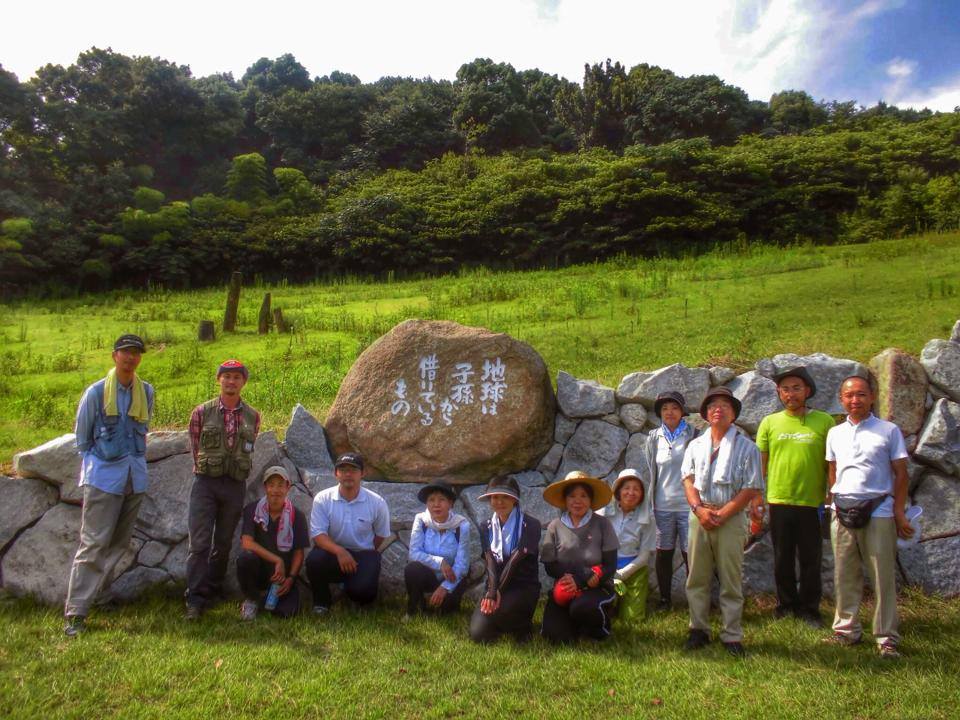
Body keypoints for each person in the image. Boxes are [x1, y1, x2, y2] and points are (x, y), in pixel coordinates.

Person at [64, 334, 154, 637]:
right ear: (115, 356)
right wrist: (101, 465)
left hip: (134, 477)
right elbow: (82, 440)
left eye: (136, 353)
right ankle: (76, 611)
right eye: (125, 352)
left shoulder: (146, 392)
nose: (130, 358)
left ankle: (100, 595)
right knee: (93, 543)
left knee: (119, 543)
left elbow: (142, 432)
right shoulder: (96, 393)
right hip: (103, 478)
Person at [824, 375, 914, 659]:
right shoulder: (835, 433)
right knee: (844, 574)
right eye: (849, 395)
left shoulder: (888, 431)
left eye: (861, 394)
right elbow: (833, 471)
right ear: (841, 399)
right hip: (842, 510)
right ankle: (846, 630)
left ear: (872, 397)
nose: (855, 400)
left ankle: (886, 638)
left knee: (881, 577)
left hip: (879, 509)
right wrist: (833, 501)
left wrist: (898, 512)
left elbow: (901, 474)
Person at [681, 387, 763, 657]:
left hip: (731, 518)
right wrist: (699, 510)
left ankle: (732, 634)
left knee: (731, 578)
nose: (718, 409)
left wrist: (725, 513)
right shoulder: (695, 446)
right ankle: (698, 629)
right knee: (697, 576)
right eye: (713, 405)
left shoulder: (747, 448)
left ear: (734, 414)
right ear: (705, 414)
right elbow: (688, 480)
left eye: (725, 405)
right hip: (700, 516)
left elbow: (751, 487)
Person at [753, 366, 834, 626]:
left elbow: (831, 464)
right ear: (779, 393)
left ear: (807, 391)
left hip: (812, 502)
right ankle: (786, 605)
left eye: (796, 388)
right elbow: (760, 465)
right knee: (782, 558)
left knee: (811, 558)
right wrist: (757, 496)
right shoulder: (769, 422)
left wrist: (831, 496)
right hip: (779, 500)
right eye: (785, 389)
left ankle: (810, 609)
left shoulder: (825, 422)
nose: (791, 394)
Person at [185, 359, 261, 619]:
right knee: (199, 543)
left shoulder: (253, 416)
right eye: (226, 376)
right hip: (205, 483)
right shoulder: (201, 412)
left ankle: (213, 589)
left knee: (224, 542)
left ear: (243, 382)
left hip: (235, 485)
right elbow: (195, 448)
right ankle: (194, 600)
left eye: (236, 377)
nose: (231, 381)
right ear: (219, 380)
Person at [540, 471, 619, 644]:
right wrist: (574, 577)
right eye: (572, 496)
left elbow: (611, 565)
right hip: (565, 587)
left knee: (582, 607)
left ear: (590, 500)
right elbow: (549, 566)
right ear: (565, 500)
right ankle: (575, 625)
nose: (578, 501)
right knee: (554, 636)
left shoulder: (603, 524)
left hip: (596, 586)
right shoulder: (555, 526)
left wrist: (583, 579)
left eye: (583, 496)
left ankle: (600, 629)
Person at [305, 453, 391, 613]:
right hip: (333, 553)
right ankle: (321, 602)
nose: (348, 474)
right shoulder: (322, 499)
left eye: (353, 470)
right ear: (336, 473)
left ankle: (352, 593)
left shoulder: (377, 502)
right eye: (343, 470)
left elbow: (381, 535)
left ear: (362, 473)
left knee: (364, 593)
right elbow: (318, 535)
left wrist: (363, 551)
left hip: (363, 554)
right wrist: (340, 551)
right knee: (314, 560)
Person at [469, 476, 542, 644]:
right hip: (495, 585)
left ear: (515, 500)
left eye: (505, 497)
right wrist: (491, 591)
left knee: (504, 609)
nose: (499, 502)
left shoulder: (531, 524)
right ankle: (499, 622)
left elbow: (515, 561)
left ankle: (522, 627)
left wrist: (495, 593)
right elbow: (489, 561)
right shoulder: (486, 526)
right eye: (495, 497)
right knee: (478, 634)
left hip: (522, 586)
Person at [645, 390, 698, 612]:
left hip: (688, 505)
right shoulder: (653, 437)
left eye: (675, 408)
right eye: (665, 408)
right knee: (663, 553)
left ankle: (696, 600)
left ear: (682, 411)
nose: (669, 412)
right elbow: (652, 470)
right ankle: (665, 599)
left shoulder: (694, 435)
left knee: (691, 554)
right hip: (662, 506)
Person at [236, 465, 310, 620]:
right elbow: (247, 543)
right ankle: (252, 598)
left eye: (280, 485)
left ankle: (269, 599)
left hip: (282, 577)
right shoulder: (252, 509)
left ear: (288, 487)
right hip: (259, 571)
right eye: (271, 485)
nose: (276, 490)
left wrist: (291, 578)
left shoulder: (297, 516)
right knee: (245, 559)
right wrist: (277, 560)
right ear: (265, 487)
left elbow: (299, 553)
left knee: (286, 614)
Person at [404, 481, 471, 616]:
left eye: (442, 499)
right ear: (427, 504)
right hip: (428, 576)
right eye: (431, 500)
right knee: (412, 569)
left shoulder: (461, 525)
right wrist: (440, 562)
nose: (436, 504)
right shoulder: (421, 520)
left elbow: (462, 564)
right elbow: (414, 553)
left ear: (450, 503)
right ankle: (415, 609)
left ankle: (444, 605)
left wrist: (444, 587)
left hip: (451, 577)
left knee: (445, 613)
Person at [599, 469, 656, 626]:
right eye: (626, 488)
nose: (631, 493)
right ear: (618, 490)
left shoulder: (648, 518)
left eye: (636, 489)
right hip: (605, 565)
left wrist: (622, 574)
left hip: (634, 569)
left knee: (631, 620)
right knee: (601, 612)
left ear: (642, 494)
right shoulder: (604, 512)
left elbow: (644, 556)